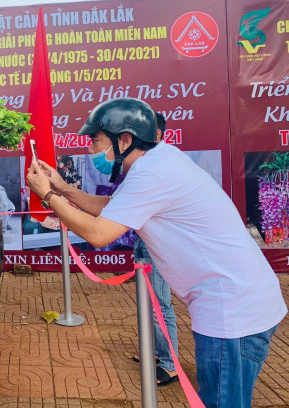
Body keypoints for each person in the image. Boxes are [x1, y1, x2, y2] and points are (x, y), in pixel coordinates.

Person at [27, 98, 287, 408]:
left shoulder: (153, 174)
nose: (91, 151)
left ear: (124, 139)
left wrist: (47, 194)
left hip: (232, 314)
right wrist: (61, 187)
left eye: (95, 142)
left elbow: (98, 233)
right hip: (239, 303)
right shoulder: (158, 161)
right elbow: (109, 208)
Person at [131, 112, 179, 386]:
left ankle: (170, 364)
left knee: (160, 304)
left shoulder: (160, 167)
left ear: (156, 135)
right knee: (148, 302)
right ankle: (155, 352)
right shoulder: (146, 165)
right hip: (145, 241)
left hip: (158, 246)